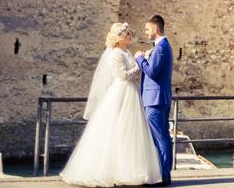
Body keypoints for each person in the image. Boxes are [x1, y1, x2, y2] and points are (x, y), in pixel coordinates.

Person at [60, 23, 161, 187]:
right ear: (119, 37)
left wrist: (140, 61)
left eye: (129, 34)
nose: (130, 36)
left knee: (130, 132)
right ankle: (111, 171)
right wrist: (141, 63)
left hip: (132, 93)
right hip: (121, 92)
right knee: (115, 130)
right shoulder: (115, 54)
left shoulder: (127, 52)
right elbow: (123, 76)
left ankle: (128, 170)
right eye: (127, 34)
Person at [136, 14, 174, 186]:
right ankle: (162, 174)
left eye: (147, 29)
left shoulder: (160, 48)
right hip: (159, 98)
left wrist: (140, 59)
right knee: (162, 136)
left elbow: (152, 72)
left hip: (155, 100)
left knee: (160, 138)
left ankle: (163, 176)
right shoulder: (162, 47)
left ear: (155, 29)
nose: (145, 32)